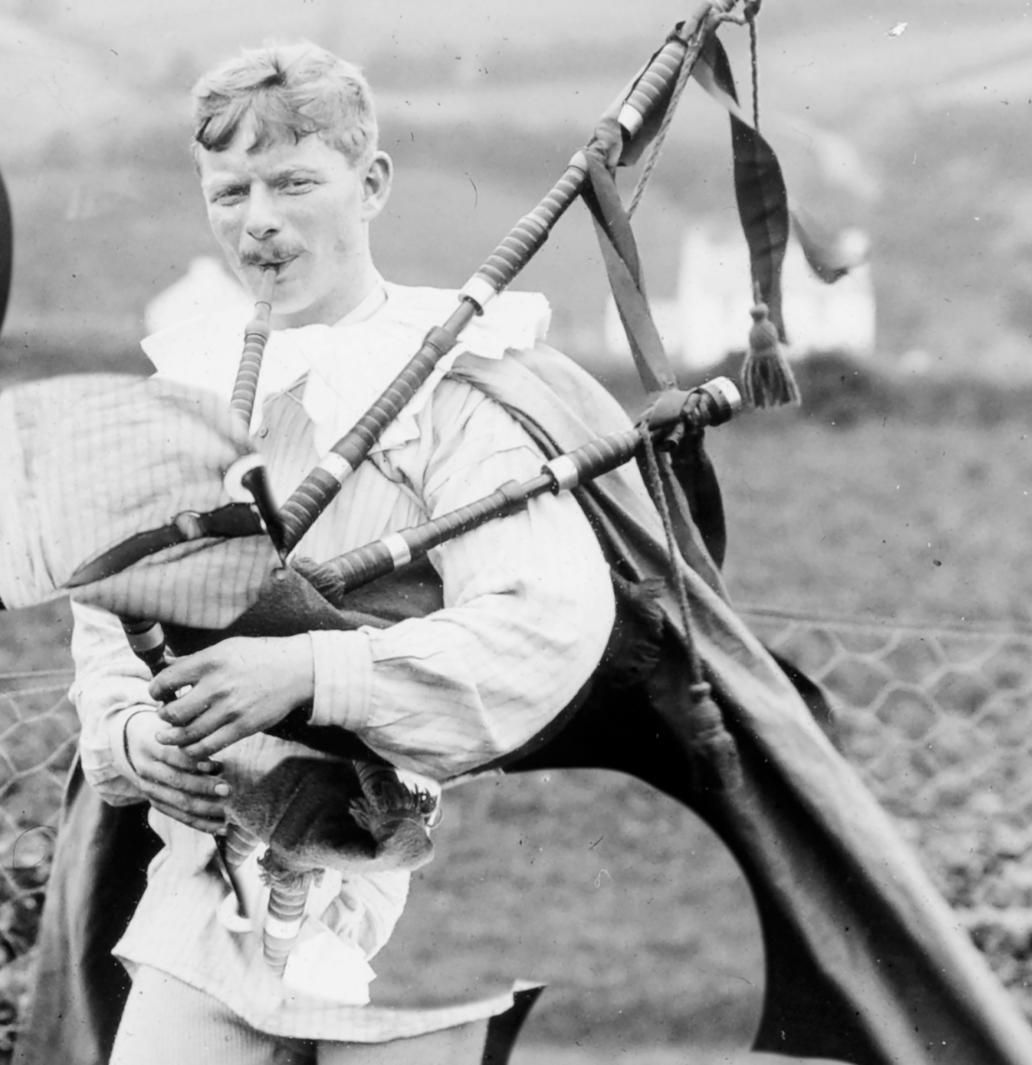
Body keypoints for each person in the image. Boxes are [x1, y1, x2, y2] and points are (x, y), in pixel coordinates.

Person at [61, 40, 618, 1064]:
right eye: (227, 191)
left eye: (292, 182)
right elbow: (110, 616)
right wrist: (135, 737)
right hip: (204, 894)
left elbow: (542, 625)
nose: (257, 219)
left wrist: (309, 667)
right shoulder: (187, 394)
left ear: (369, 185)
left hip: (392, 877)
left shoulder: (453, 393)